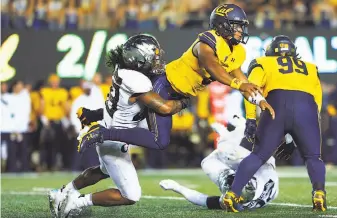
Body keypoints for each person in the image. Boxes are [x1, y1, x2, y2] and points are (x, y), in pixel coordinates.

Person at [77, 4, 275, 152]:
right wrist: (238, 84)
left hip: (176, 90)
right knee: (158, 139)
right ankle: (102, 133)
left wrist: (260, 100)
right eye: (236, 26)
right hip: (164, 84)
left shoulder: (238, 51)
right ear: (222, 25)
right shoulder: (208, 40)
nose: (241, 31)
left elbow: (243, 80)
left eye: (241, 26)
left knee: (135, 113)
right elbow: (212, 66)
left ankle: (92, 115)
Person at [48, 34, 189, 218]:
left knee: (103, 171)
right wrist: (184, 101)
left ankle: (62, 193)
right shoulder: (137, 80)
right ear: (138, 59)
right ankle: (77, 203)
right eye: (153, 57)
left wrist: (95, 114)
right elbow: (165, 108)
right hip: (113, 137)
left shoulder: (122, 69)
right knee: (131, 195)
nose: (157, 61)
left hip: (108, 128)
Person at [222, 35, 326, 212]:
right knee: (313, 157)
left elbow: (251, 89)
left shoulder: (263, 62)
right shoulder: (310, 67)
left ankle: (232, 194)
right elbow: (317, 102)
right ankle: (319, 193)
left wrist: (251, 119)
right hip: (307, 109)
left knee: (258, 155)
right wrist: (295, 137)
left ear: (271, 51)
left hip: (275, 106)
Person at [160, 115, 280, 210]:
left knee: (208, 162)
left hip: (249, 164)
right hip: (262, 164)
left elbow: (204, 200)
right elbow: (265, 153)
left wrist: (177, 188)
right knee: (233, 152)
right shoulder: (267, 176)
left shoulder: (232, 201)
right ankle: (237, 130)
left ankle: (228, 137)